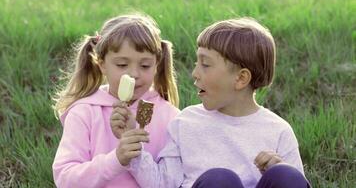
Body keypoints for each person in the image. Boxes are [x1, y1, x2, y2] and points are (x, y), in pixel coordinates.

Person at [114, 17, 311, 188]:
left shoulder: (278, 130)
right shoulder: (185, 123)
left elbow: (295, 182)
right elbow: (163, 183)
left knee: (286, 174)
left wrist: (276, 168)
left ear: (241, 79)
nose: (194, 74)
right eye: (196, 63)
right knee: (219, 180)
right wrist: (133, 148)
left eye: (205, 64)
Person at [52, 13, 180, 188]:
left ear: (157, 65)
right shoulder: (84, 112)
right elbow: (65, 179)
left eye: (145, 66)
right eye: (122, 65)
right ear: (102, 64)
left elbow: (173, 181)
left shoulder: (170, 116)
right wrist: (116, 159)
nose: (134, 74)